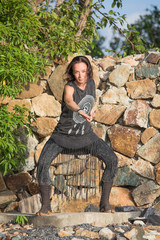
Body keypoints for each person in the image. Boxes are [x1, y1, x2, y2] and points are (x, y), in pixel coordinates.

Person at [36, 55, 118, 215]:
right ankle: (45, 207)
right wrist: (80, 111)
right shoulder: (70, 87)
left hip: (86, 136)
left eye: (84, 71)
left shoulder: (92, 83)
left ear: (88, 71)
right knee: (43, 164)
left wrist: (90, 111)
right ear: (72, 73)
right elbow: (69, 101)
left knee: (112, 160)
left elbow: (89, 100)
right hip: (62, 137)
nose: (80, 75)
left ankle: (105, 204)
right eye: (76, 72)